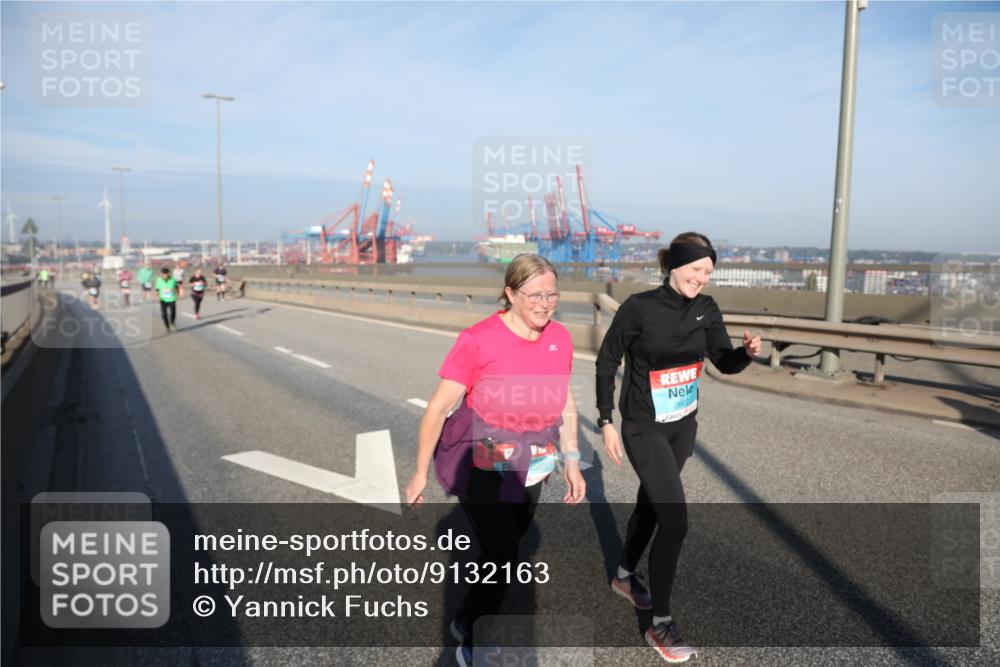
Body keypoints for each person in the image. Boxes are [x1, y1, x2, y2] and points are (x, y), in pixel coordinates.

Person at [404, 254, 585, 667]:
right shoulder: (478, 339)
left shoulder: (560, 337)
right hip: (482, 455)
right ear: (510, 293)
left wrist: (572, 461)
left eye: (552, 294)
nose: (545, 303)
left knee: (509, 546)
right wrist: (418, 473)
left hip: (533, 456)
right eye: (534, 295)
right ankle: (474, 635)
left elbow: (565, 402)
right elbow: (437, 409)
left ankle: (467, 615)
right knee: (503, 553)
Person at [596, 232, 761, 664]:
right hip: (643, 426)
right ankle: (660, 623)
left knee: (651, 505)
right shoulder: (639, 308)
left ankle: (623, 576)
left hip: (682, 427)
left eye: (709, 272)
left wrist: (745, 354)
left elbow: (722, 360)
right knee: (675, 521)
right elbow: (607, 361)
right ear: (675, 267)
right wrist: (605, 421)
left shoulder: (707, 309)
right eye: (696, 270)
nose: (702, 278)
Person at [155, 266, 183, 333]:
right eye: (163, 274)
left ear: (168, 274)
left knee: (173, 312)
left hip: (172, 299)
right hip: (163, 300)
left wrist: (178, 294)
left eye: (166, 274)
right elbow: (157, 289)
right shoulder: (158, 280)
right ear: (161, 274)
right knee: (164, 314)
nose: (165, 275)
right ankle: (167, 327)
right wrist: (158, 297)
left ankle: (172, 322)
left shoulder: (173, 280)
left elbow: (177, 287)